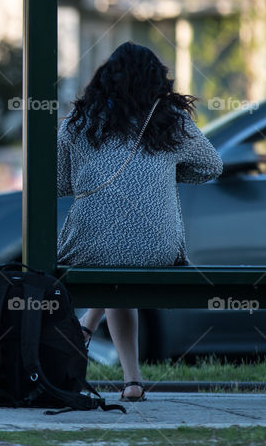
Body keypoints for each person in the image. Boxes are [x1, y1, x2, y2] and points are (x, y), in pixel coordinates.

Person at [56, 42, 222, 402]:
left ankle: (88, 326)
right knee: (120, 267)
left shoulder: (78, 123)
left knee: (112, 261)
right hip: (156, 248)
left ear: (103, 79)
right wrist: (164, 174)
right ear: (156, 81)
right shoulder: (171, 122)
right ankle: (132, 380)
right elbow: (211, 166)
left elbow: (57, 184)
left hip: (88, 246)